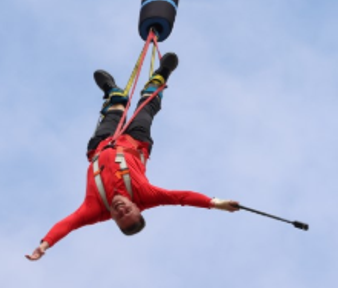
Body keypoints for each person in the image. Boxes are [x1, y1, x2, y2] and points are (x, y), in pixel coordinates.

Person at [26, 53, 239, 261]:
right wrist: (216, 203)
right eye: (128, 210)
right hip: (136, 143)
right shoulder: (146, 196)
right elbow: (181, 198)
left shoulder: (95, 210)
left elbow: (68, 224)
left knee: (117, 104)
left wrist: (45, 245)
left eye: (119, 216)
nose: (120, 209)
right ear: (138, 207)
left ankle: (113, 92)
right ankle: (161, 75)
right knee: (147, 106)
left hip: (101, 146)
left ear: (113, 220)